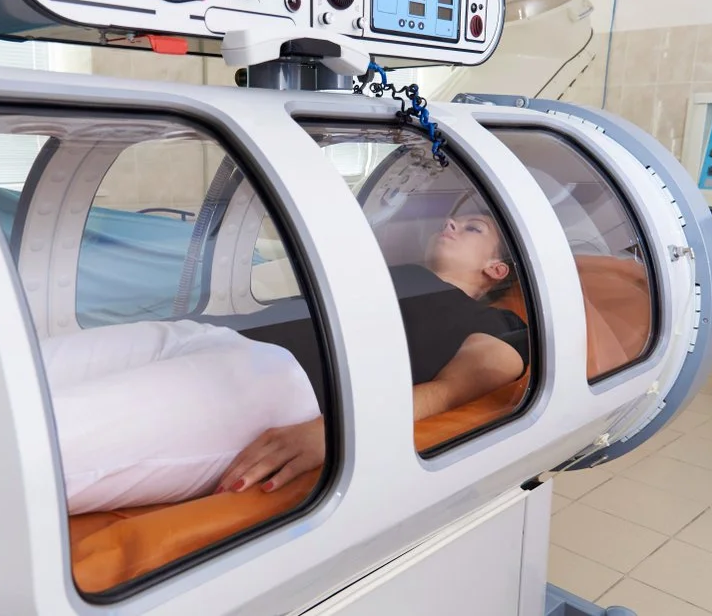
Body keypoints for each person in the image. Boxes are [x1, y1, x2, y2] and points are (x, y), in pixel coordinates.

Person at [214, 212, 529, 496]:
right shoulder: (396, 276)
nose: (449, 223)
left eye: (473, 228)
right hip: (221, 335)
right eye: (452, 220)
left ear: (496, 269)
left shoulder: (495, 323)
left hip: (264, 379)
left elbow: (447, 393)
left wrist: (339, 429)